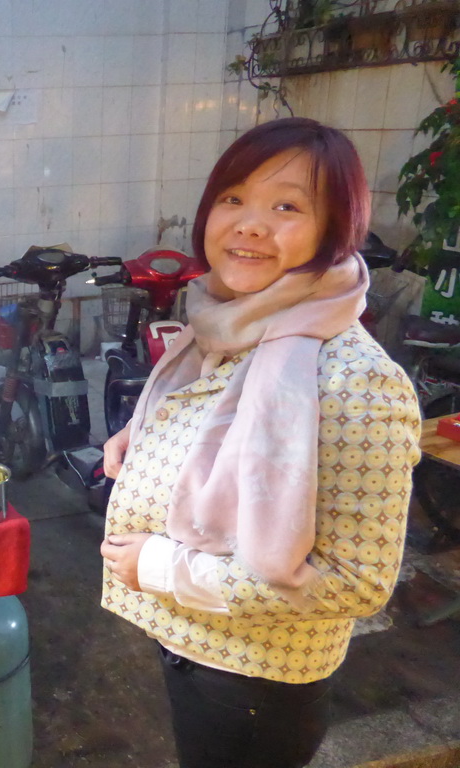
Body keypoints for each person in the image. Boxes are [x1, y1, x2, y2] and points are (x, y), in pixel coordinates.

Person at [99, 118, 422, 768]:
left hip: (253, 682)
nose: (249, 224)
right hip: (197, 649)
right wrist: (148, 434)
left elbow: (357, 584)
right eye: (233, 198)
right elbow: (229, 425)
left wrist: (161, 569)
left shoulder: (356, 382)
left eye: (286, 206)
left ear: (334, 229)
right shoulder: (226, 326)